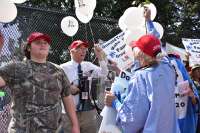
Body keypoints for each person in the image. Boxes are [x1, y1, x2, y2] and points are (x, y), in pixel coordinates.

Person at [0, 32, 80, 133]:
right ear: (28, 48)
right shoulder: (15, 68)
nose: (43, 44)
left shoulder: (58, 71)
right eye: (38, 42)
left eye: (45, 43)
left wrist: (75, 125)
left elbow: (67, 97)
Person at [104, 34, 180, 133]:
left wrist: (115, 102)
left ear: (139, 54)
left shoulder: (140, 77)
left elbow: (132, 119)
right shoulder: (168, 68)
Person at [60, 40, 108, 133]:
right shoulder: (62, 68)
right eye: (80, 49)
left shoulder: (88, 65)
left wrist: (100, 58)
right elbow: (55, 86)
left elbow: (104, 73)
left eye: (85, 49)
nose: (83, 51)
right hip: (69, 113)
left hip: (87, 112)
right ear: (71, 51)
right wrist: (68, 88)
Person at [168, 53, 199, 133]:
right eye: (197, 70)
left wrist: (192, 96)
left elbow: (196, 103)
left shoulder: (187, 82)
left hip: (186, 124)